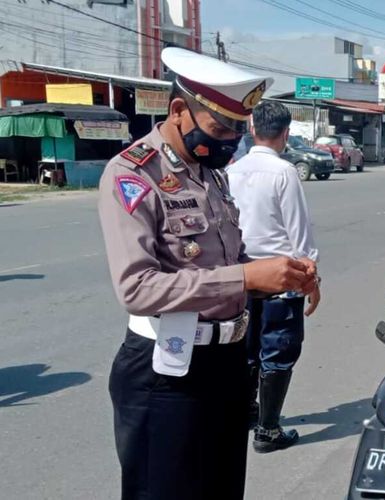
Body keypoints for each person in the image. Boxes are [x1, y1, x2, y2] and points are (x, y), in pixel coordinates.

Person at [98, 48, 317, 500]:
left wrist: (285, 273)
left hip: (227, 363)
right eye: (220, 128)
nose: (230, 140)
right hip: (165, 370)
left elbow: (222, 263)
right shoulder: (133, 174)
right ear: (179, 111)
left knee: (221, 489)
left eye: (239, 129)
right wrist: (246, 279)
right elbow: (136, 288)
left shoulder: (211, 175)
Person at [227, 100, 321, 453]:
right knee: (278, 351)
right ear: (285, 134)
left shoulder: (231, 170)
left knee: (248, 350)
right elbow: (300, 236)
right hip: (281, 278)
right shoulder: (284, 173)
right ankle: (267, 430)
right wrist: (311, 279)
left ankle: (249, 411)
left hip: (244, 276)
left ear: (252, 129)